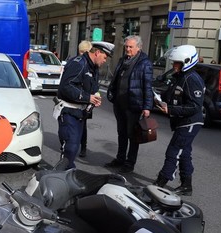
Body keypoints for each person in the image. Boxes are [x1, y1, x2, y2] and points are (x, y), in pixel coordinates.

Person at [152, 45, 204, 196]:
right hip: (182, 121)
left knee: (173, 151)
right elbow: (169, 96)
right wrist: (158, 100)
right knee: (184, 152)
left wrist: (171, 110)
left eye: (177, 63)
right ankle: (187, 185)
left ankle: (161, 182)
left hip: (190, 122)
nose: (174, 65)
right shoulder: (180, 77)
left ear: (187, 62)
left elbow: (195, 106)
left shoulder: (192, 79)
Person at [53, 41, 114, 169]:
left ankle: (66, 174)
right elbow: (66, 86)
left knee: (73, 148)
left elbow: (92, 87)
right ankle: (62, 176)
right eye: (104, 57)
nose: (105, 61)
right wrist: (88, 97)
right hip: (69, 110)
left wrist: (95, 97)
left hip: (80, 112)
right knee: (70, 147)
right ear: (97, 53)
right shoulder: (79, 63)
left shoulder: (94, 67)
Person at [106, 35, 153, 173]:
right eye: (126, 46)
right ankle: (120, 159)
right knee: (121, 133)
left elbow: (148, 86)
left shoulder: (145, 63)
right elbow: (116, 79)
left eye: (130, 47)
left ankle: (129, 163)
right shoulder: (122, 60)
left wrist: (147, 107)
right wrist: (111, 93)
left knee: (133, 135)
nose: (127, 49)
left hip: (134, 105)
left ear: (138, 48)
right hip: (119, 104)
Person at [77, 40, 95, 158]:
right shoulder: (76, 62)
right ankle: (73, 145)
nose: (82, 54)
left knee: (82, 124)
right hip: (77, 98)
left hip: (86, 99)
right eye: (81, 52)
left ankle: (83, 147)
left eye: (84, 52)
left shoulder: (92, 66)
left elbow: (94, 84)